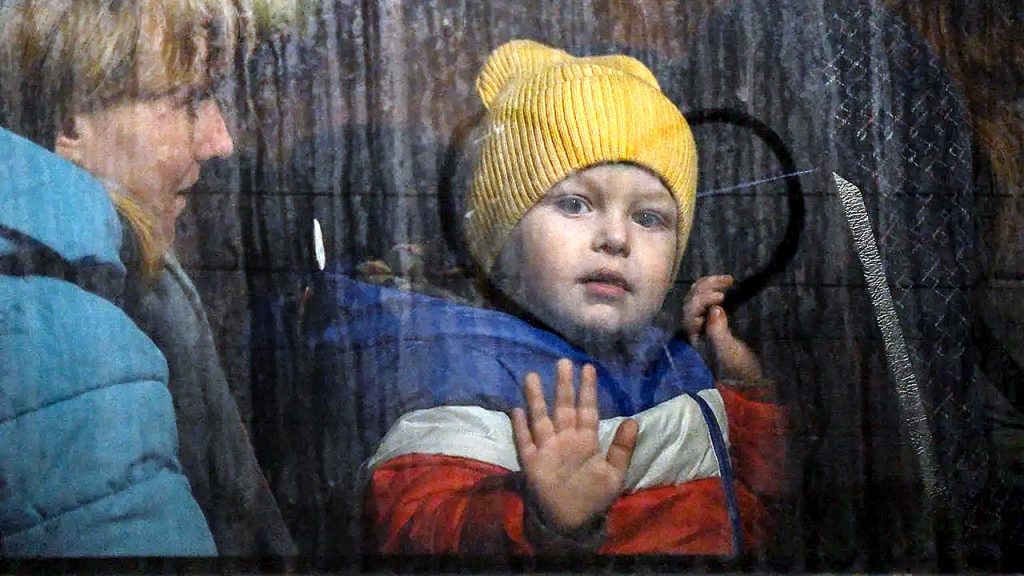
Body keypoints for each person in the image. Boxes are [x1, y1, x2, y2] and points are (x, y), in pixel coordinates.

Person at [308, 39, 786, 556]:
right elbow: (412, 525)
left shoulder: (667, 358)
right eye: (575, 204)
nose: (616, 238)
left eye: (648, 218)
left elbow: (753, 503)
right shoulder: (460, 367)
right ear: (502, 243)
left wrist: (744, 392)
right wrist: (538, 523)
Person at [0, 0, 293, 556]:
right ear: (70, 124)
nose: (221, 141)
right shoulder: (59, 330)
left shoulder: (101, 283)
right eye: (190, 101)